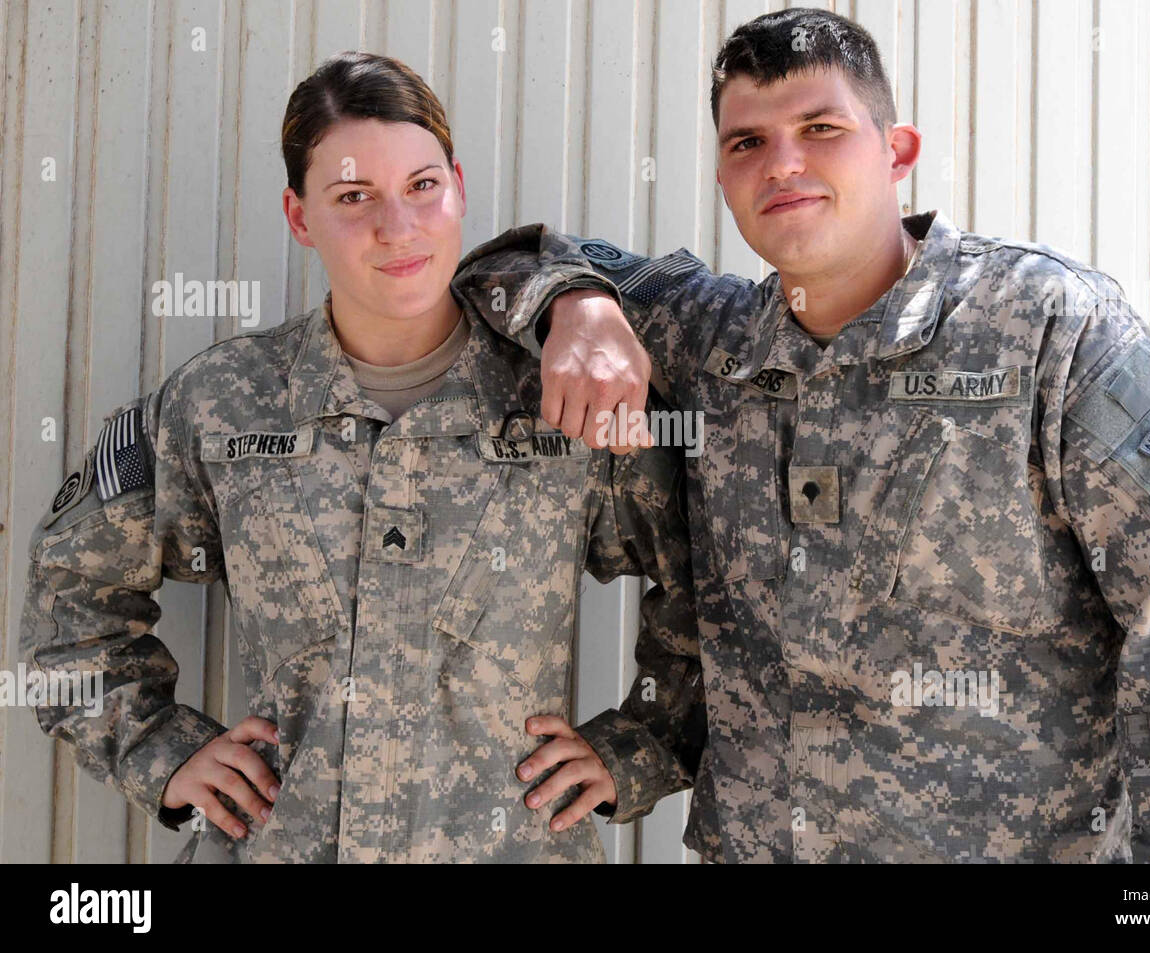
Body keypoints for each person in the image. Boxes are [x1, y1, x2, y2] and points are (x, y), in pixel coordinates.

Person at [473, 8, 1150, 862]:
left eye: (820, 128)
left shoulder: (1045, 329)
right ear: (721, 175)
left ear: (896, 150)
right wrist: (581, 305)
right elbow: (498, 265)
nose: (782, 163)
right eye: (745, 143)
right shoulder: (709, 340)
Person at [19, 51, 703, 863]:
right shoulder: (222, 403)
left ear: (458, 186)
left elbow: (716, 576)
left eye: (422, 186)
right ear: (299, 215)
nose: (399, 227)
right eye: (353, 197)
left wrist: (638, 745)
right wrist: (163, 751)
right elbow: (71, 594)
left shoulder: (560, 397)